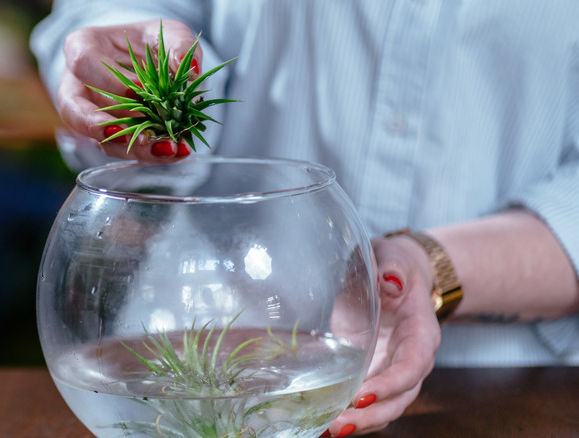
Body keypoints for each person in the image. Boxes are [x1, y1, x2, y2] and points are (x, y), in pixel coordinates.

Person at [31, 1, 579, 435]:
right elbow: (114, 14)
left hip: (509, 391)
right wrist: (119, 68)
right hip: (180, 343)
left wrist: (427, 265)